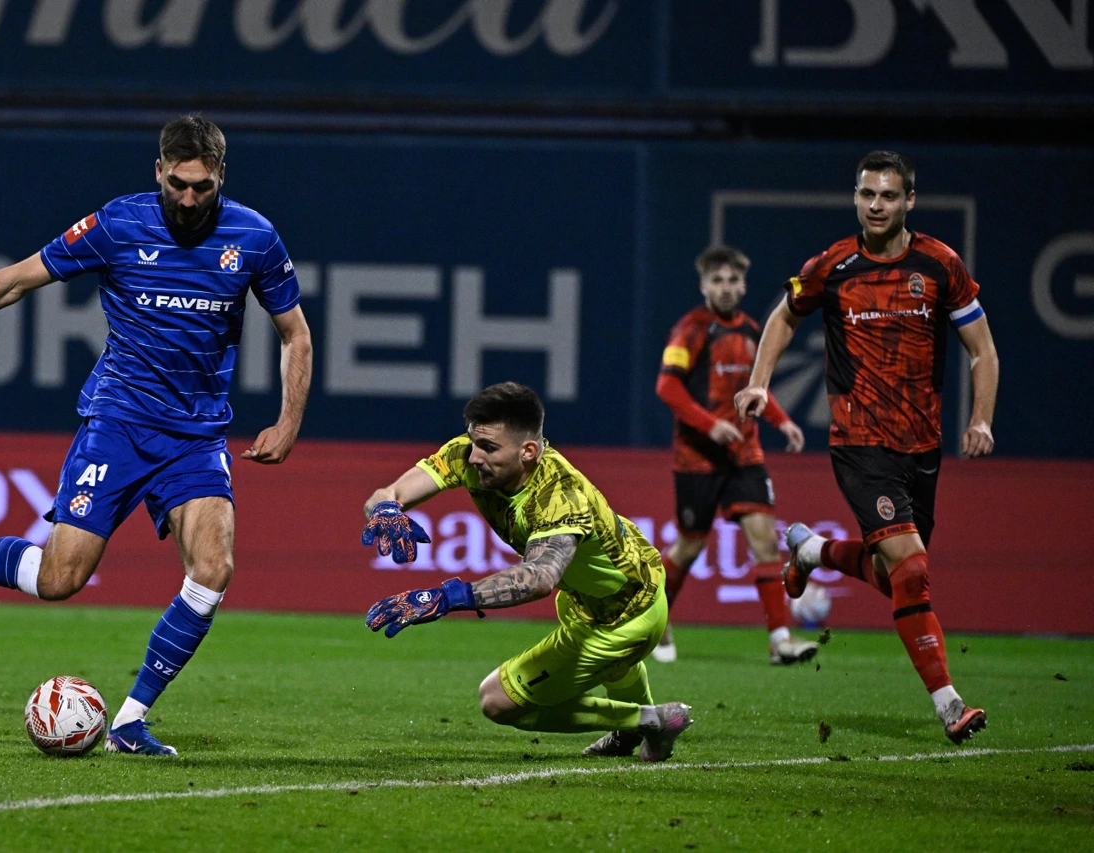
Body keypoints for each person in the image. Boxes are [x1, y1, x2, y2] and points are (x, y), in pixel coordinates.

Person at [0, 115, 313, 757]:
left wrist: (289, 420)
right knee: (60, 578)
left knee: (213, 569)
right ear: (159, 170)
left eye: (201, 188)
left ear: (220, 178)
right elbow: (14, 280)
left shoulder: (255, 237)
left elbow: (295, 333)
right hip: (118, 426)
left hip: (196, 438)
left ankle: (128, 722)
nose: (187, 199)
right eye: (177, 184)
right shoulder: (117, 225)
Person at [734, 150, 999, 745]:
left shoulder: (939, 265)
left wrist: (981, 420)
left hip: (921, 446)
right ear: (855, 198)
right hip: (859, 442)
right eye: (865, 194)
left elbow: (983, 350)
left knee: (898, 579)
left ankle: (813, 552)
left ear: (910, 201)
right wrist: (758, 381)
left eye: (887, 196)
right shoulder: (834, 265)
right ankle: (950, 705)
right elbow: (783, 316)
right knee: (912, 569)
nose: (875, 205)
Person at [362, 382, 693, 762]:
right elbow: (387, 493)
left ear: (529, 451)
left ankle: (648, 720)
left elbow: (539, 577)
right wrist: (387, 510)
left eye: (488, 448)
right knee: (616, 668)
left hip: (624, 615)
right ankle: (644, 733)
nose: (474, 458)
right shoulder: (467, 455)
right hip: (594, 592)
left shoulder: (559, 496)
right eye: (473, 443)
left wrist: (448, 597)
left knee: (497, 702)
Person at [652, 245, 813, 666]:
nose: (725, 288)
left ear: (743, 284)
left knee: (765, 541)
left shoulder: (752, 331)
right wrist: (710, 425)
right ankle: (655, 618)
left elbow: (755, 388)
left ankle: (781, 641)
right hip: (697, 458)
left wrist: (782, 422)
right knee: (688, 548)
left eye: (732, 281)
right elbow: (667, 387)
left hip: (744, 453)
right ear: (704, 285)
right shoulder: (691, 329)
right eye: (717, 281)